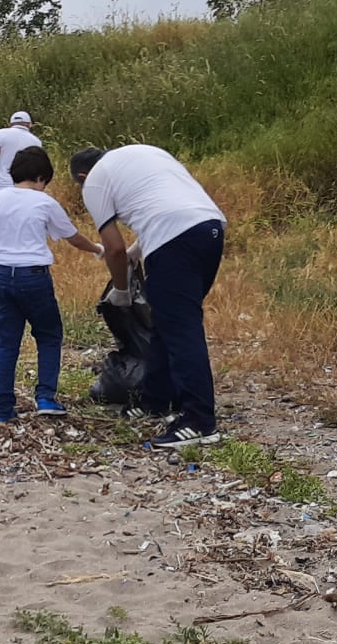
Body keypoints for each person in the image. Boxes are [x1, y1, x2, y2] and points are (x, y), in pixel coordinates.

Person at [71, 145, 227, 448]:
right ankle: (156, 399)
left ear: (81, 176)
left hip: (175, 241)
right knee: (167, 323)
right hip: (209, 230)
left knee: (182, 329)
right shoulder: (142, 154)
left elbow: (113, 248)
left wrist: (121, 290)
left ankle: (199, 421)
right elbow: (164, 206)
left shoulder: (95, 180)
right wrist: (136, 253)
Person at [0, 147, 104, 422]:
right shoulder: (45, 202)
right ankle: (46, 397)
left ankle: (2, 410)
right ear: (41, 178)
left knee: (7, 343)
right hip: (34, 276)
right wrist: (97, 249)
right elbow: (73, 237)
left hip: (2, 277)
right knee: (49, 335)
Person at [0, 111, 42, 202]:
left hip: (0, 189)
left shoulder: (1, 134)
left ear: (10, 124)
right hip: (25, 191)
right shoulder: (36, 142)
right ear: (29, 125)